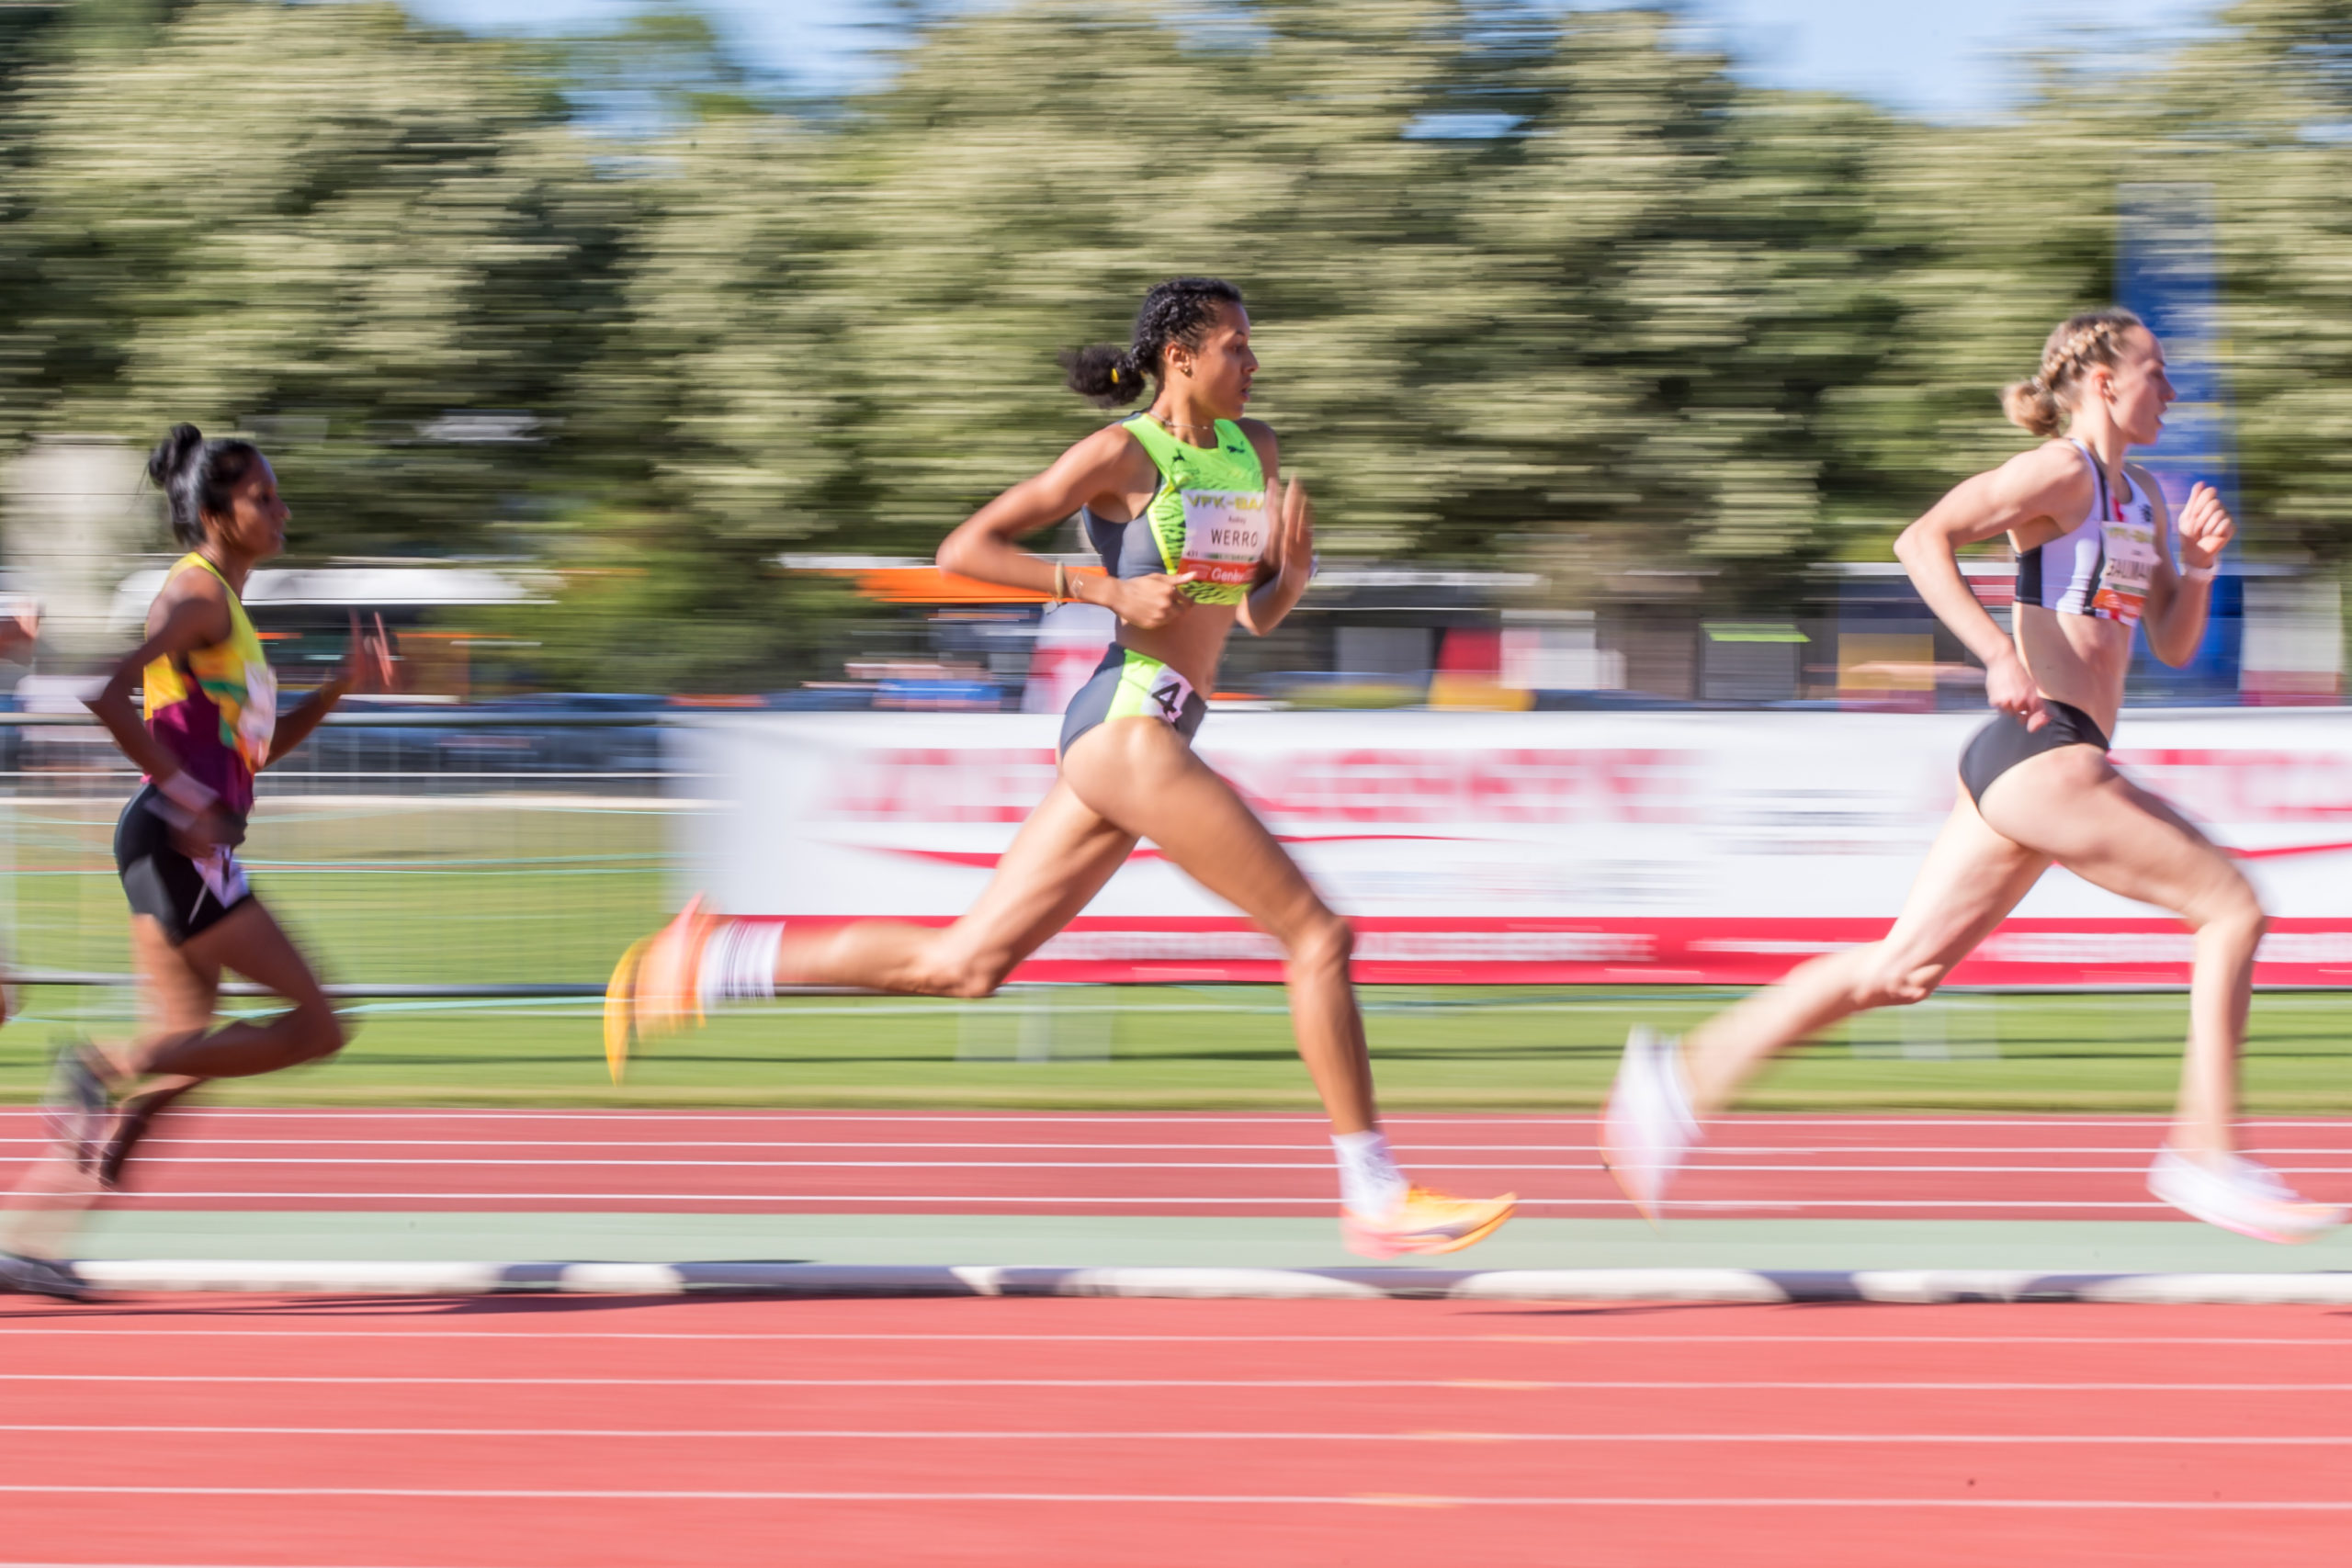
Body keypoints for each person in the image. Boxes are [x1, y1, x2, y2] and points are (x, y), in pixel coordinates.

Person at [606, 277, 1516, 1258]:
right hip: (1129, 727)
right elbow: (967, 547)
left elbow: (1242, 615)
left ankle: (709, 961)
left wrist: (1287, 583)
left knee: (965, 965)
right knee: (1319, 934)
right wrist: (1099, 586)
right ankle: (1373, 1192)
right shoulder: (1120, 453)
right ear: (1182, 356)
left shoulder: (1257, 452)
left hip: (1150, 731)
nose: (1254, 365)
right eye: (1237, 347)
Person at [1603, 308, 2346, 1245]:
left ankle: (1673, 1085)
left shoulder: (2146, 498)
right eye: (2157, 370)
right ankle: (2202, 1151)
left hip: (2042, 761)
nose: (2173, 388)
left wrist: (2195, 572)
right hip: (2044, 752)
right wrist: (1997, 652)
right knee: (2233, 906)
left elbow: (2172, 644)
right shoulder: (2060, 472)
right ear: (2104, 382)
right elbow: (1921, 540)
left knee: (1900, 972)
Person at [5, 424, 390, 1300]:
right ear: (216, 514)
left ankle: (34, 1236)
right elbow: (104, 690)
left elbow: (251, 756)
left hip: (184, 843)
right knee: (318, 1024)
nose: (282, 509)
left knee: (187, 1054)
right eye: (264, 497)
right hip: (177, 842)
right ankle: (103, 1067)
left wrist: (333, 692)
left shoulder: (228, 609)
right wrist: (185, 798)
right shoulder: (197, 597)